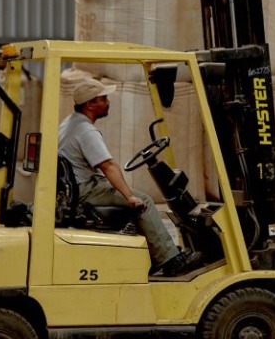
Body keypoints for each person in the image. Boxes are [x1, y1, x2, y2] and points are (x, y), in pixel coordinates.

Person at [58, 79, 202, 277]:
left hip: (73, 188)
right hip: (85, 189)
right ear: (90, 104)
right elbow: (108, 166)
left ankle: (156, 254)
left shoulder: (69, 122)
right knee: (145, 202)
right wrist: (129, 197)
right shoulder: (86, 131)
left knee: (132, 196)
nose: (108, 102)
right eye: (103, 99)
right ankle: (172, 261)